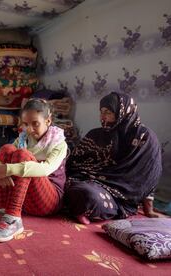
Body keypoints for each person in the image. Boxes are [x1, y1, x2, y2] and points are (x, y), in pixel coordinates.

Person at [65, 92, 162, 224]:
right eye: (101, 112)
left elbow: (149, 175)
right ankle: (79, 206)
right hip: (87, 181)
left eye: (108, 112)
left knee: (89, 196)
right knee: (63, 184)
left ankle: (84, 207)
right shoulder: (95, 134)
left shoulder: (144, 138)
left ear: (123, 112)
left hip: (121, 196)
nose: (103, 117)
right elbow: (73, 164)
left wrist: (148, 209)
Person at [0, 98, 68, 242]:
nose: (29, 129)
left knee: (23, 155)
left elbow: (45, 169)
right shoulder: (24, 138)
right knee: (7, 149)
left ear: (48, 121)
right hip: (27, 201)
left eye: (35, 124)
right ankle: (4, 210)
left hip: (49, 201)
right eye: (25, 124)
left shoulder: (59, 143)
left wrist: (8, 169)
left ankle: (13, 218)